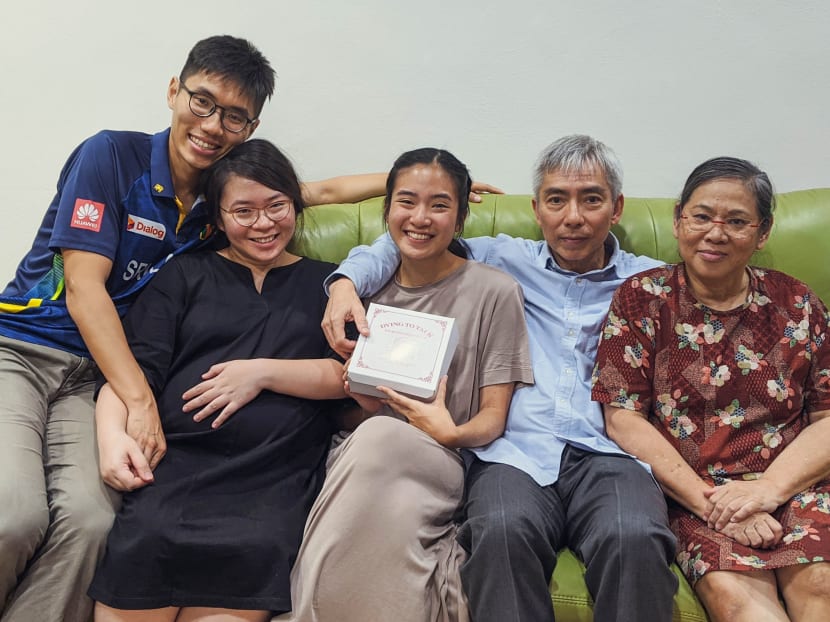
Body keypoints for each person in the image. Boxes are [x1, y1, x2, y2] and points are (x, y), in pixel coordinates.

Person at [0, 34, 401, 622]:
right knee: (14, 514)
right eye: (203, 102)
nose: (213, 125)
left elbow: (315, 192)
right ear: (174, 91)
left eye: (234, 117)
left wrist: (422, 182)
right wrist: (138, 400)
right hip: (29, 349)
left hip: (96, 377)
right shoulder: (111, 156)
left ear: (251, 125)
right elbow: (86, 291)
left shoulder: (223, 204)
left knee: (93, 522)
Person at [321, 135, 679, 622]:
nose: (572, 216)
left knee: (634, 535)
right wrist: (345, 281)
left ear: (615, 208)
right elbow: (410, 238)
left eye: (590, 199)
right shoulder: (501, 259)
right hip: (513, 453)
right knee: (500, 531)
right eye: (557, 200)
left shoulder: (653, 283)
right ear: (537, 208)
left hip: (610, 455)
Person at [88, 138, 348, 621]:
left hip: (269, 486)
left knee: (254, 545)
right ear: (219, 218)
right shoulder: (184, 274)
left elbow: (350, 376)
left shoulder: (331, 283)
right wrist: (109, 438)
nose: (264, 223)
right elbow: (131, 374)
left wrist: (262, 373)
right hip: (172, 477)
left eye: (277, 206)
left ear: (295, 203)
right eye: (243, 212)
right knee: (145, 536)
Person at [273, 147, 533, 622]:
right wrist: (362, 402)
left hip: (444, 456)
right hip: (365, 452)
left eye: (438, 205)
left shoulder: (496, 290)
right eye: (406, 202)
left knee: (380, 441)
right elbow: (357, 418)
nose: (420, 218)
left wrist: (447, 432)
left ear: (459, 218)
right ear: (387, 209)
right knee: (374, 441)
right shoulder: (363, 291)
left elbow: (493, 419)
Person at [592, 156, 830, 622]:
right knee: (740, 603)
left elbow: (828, 416)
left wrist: (768, 490)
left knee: (820, 586)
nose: (715, 233)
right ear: (679, 219)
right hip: (699, 496)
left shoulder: (796, 302)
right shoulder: (643, 298)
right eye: (701, 216)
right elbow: (622, 417)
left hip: (796, 484)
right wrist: (721, 507)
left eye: (736, 221)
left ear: (762, 234)